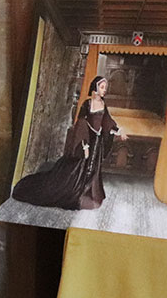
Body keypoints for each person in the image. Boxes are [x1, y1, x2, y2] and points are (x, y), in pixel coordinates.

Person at [12, 76, 128, 210]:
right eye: (102, 87)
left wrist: (120, 130)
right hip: (87, 141)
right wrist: (84, 145)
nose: (104, 90)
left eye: (105, 88)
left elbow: (107, 121)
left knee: (92, 169)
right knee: (77, 170)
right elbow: (80, 125)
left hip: (98, 141)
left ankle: (88, 193)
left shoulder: (103, 104)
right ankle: (76, 193)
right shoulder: (87, 104)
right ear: (95, 87)